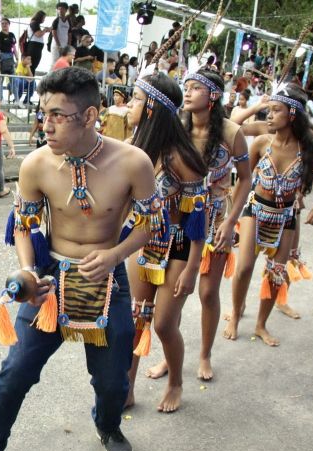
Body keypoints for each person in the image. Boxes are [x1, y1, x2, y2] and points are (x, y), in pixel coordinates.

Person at [0, 67, 160, 451]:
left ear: (89, 115)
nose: (44, 124)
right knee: (15, 372)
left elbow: (151, 224)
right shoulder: (35, 164)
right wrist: (29, 271)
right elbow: (24, 226)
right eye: (42, 113)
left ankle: (107, 426)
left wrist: (116, 255)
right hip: (50, 281)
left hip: (108, 282)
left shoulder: (133, 163)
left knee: (112, 380)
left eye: (57, 115)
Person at [142, 70, 251, 383]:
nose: (187, 94)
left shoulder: (232, 133)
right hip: (178, 223)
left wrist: (231, 221)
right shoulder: (178, 129)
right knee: (172, 294)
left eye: (195, 88)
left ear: (213, 96)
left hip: (215, 221)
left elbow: (245, 180)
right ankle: (169, 357)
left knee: (207, 292)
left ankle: (205, 354)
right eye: (185, 88)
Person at [224, 85, 313, 347]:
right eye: (269, 110)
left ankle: (261, 324)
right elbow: (243, 175)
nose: (270, 116)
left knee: (276, 272)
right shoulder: (263, 142)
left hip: (286, 216)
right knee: (244, 268)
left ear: (293, 115)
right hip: (256, 209)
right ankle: (235, 315)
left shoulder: (309, 149)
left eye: (276, 111)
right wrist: (231, 215)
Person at [123, 72, 208, 412]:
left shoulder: (181, 159)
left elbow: (197, 220)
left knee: (163, 324)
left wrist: (192, 268)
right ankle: (126, 389)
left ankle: (175, 382)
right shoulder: (135, 148)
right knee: (135, 318)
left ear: (152, 107)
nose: (129, 105)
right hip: (143, 244)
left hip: (179, 247)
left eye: (136, 99)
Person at [24, 11, 50, 76]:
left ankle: (31, 80)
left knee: (33, 66)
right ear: (40, 17)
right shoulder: (34, 23)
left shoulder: (35, 24)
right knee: (31, 66)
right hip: (34, 47)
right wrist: (45, 30)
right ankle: (29, 81)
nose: (44, 19)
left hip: (36, 47)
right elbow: (38, 34)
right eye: (43, 18)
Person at [49, 2, 70, 66]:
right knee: (54, 62)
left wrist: (68, 45)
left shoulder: (68, 21)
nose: (60, 10)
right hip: (56, 45)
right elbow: (54, 33)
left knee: (63, 62)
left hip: (65, 45)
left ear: (66, 10)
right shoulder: (56, 20)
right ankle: (51, 76)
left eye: (62, 9)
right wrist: (58, 45)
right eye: (59, 9)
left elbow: (70, 34)